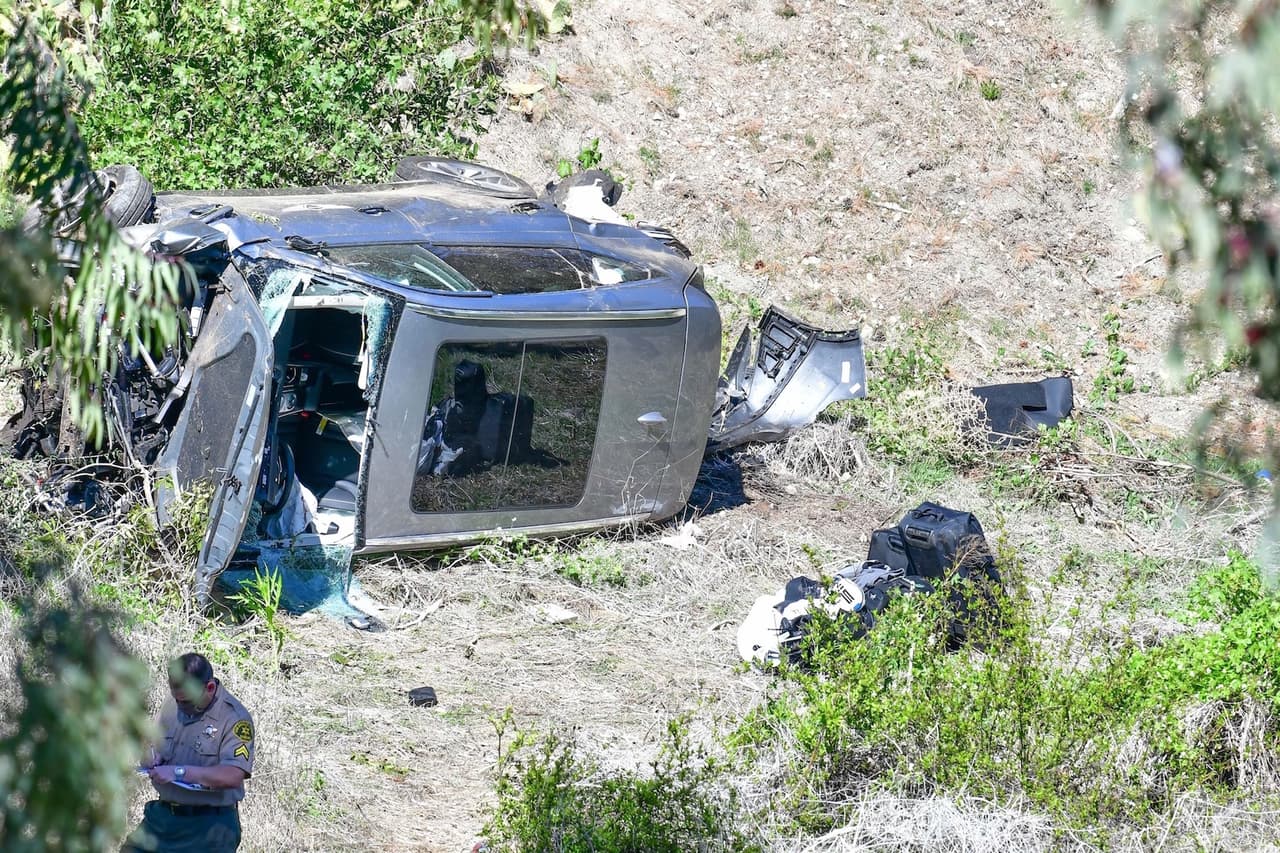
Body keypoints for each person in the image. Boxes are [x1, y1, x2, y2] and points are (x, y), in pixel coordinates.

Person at [122, 653, 256, 852]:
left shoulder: (235, 719)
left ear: (209, 688)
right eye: (177, 700)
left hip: (208, 828)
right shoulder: (175, 701)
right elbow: (152, 739)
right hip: (163, 819)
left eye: (187, 702)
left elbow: (233, 775)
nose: (181, 707)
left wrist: (178, 772)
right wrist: (151, 754)